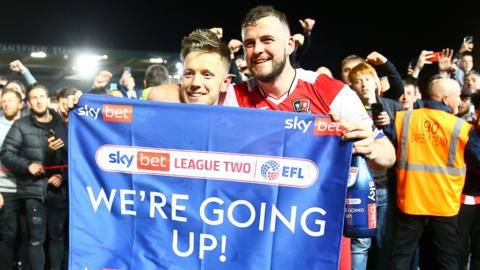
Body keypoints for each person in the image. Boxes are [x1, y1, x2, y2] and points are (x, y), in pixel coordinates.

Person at [391, 77, 480, 269]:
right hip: (443, 204)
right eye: (458, 96)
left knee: (401, 257)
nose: (460, 100)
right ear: (446, 99)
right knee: (447, 259)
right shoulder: (461, 128)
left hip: (410, 201)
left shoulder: (403, 118)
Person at [0, 84, 68, 270]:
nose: (38, 101)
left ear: (48, 99)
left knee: (58, 237)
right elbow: (6, 153)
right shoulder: (21, 126)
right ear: (28, 103)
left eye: (41, 96)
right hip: (32, 191)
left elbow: (74, 157)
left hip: (58, 192)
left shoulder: (63, 125)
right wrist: (27, 166)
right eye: (34, 98)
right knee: (36, 239)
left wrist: (62, 176)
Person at [0, 89, 24, 270]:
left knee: (25, 237)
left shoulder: (29, 124)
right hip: (4, 191)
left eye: (9, 100)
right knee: (8, 236)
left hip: (27, 190)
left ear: (21, 103)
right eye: (3, 101)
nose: (5, 104)